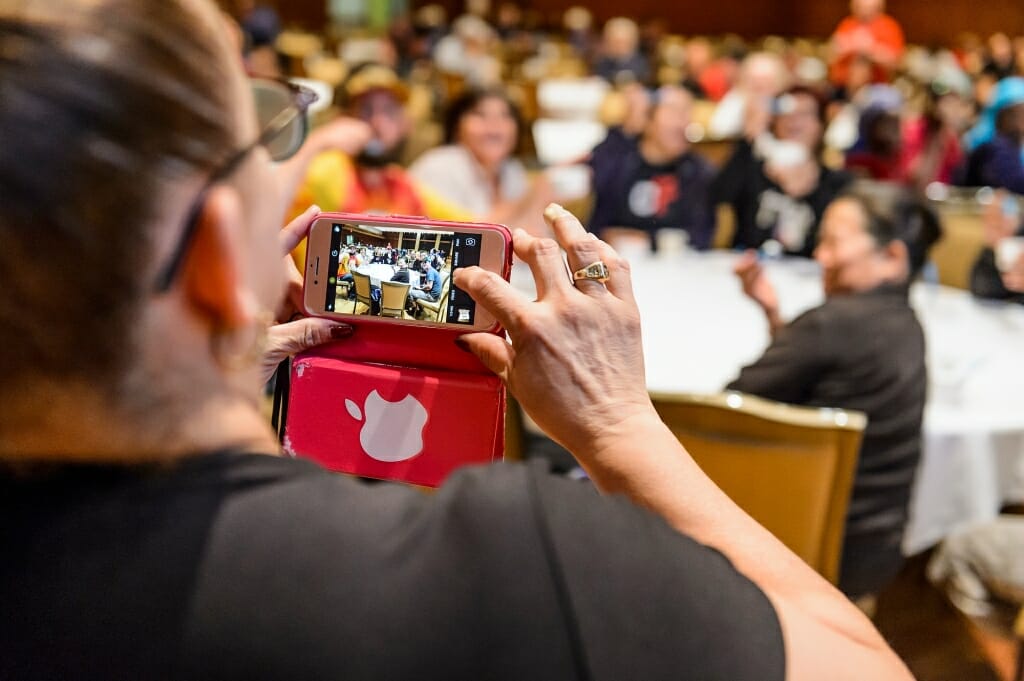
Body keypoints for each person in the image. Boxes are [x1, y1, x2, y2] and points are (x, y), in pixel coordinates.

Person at [0, 2, 915, 679]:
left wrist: (211, 364)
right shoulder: (508, 570)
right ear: (209, 258)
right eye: (268, 140)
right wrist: (617, 423)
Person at [727, 185, 942, 599]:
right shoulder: (905, 323)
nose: (820, 257)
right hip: (873, 554)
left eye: (833, 243)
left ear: (892, 257)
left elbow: (730, 409)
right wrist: (773, 313)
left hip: (805, 550)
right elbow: (814, 377)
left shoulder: (833, 324)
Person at [289, 63, 472, 266]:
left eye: (389, 111)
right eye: (366, 110)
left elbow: (470, 225)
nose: (377, 123)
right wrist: (318, 143)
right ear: (345, 119)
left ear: (405, 124)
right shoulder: (328, 169)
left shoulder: (402, 184)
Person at [711, 86, 853, 256]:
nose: (794, 121)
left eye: (805, 114)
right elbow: (716, 197)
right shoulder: (751, 168)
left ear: (821, 125)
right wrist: (750, 139)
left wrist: (808, 191)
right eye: (786, 113)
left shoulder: (838, 184)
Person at [408, 88, 553, 235]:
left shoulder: (512, 169)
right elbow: (465, 237)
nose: (494, 125)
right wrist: (531, 196)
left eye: (505, 116)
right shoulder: (439, 165)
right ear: (457, 127)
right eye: (480, 115)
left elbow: (534, 232)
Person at [587, 85, 716, 251]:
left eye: (687, 114)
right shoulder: (620, 161)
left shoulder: (697, 172)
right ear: (648, 119)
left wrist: (649, 240)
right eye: (674, 112)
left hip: (676, 267)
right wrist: (626, 127)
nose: (682, 123)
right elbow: (598, 221)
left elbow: (701, 234)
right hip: (613, 261)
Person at [960, 77, 1024, 192]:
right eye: (1020, 113)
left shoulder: (1011, 145)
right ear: (1004, 116)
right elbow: (1012, 185)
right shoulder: (996, 147)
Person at [829, 0, 905, 88]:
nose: (864, 12)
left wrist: (869, 49)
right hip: (842, 85)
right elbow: (831, 54)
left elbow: (896, 62)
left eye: (869, 8)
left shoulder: (889, 27)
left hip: (877, 87)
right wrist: (851, 45)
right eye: (860, 7)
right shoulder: (847, 24)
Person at [970, 190, 1024, 303]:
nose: (991, 228)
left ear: (1015, 219)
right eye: (988, 221)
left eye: (997, 221)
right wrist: (993, 250)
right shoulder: (991, 248)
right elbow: (979, 288)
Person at [592, 17, 650, 85]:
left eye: (621, 42)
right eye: (613, 41)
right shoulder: (602, 63)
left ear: (632, 41)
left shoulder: (643, 63)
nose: (618, 46)